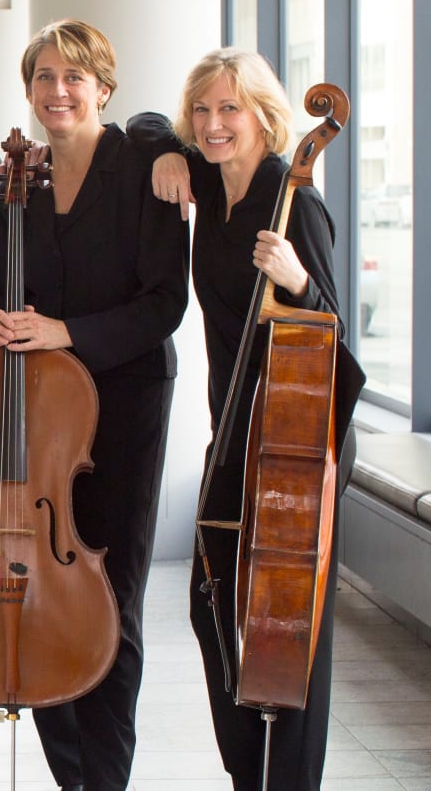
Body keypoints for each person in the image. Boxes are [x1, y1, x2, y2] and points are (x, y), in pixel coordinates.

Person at [0, 19, 189, 791]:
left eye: (74, 76)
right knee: (37, 593)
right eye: (43, 77)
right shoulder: (11, 183)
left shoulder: (146, 167)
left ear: (104, 85)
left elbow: (166, 302)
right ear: (27, 89)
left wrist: (64, 331)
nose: (57, 91)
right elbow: (7, 296)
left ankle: (106, 778)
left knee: (110, 594)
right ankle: (70, 773)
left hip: (125, 403)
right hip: (38, 412)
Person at [150, 48, 363, 790]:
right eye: (202, 110)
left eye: (230, 109)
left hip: (297, 440)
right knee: (214, 605)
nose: (213, 124)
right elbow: (143, 128)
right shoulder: (210, 182)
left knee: (290, 633)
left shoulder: (294, 199)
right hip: (233, 432)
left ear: (265, 116)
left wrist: (299, 282)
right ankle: (249, 774)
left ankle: (289, 781)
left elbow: (337, 336)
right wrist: (167, 151)